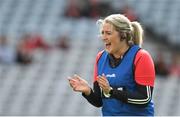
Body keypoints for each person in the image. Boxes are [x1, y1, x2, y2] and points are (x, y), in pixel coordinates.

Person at [68, 14, 155, 116]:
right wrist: (88, 91)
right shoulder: (100, 58)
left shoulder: (141, 57)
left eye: (108, 33)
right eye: (102, 33)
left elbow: (144, 99)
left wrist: (111, 91)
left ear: (123, 35)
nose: (103, 38)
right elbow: (99, 102)